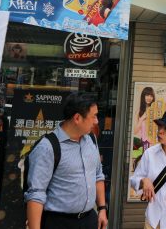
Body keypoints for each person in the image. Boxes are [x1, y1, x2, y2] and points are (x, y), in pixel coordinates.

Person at [25, 93, 108, 229]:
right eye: (93, 116)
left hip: (89, 220)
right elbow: (36, 194)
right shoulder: (48, 147)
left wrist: (102, 209)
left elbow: (98, 175)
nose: (97, 121)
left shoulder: (91, 140)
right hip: (58, 222)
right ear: (77, 118)